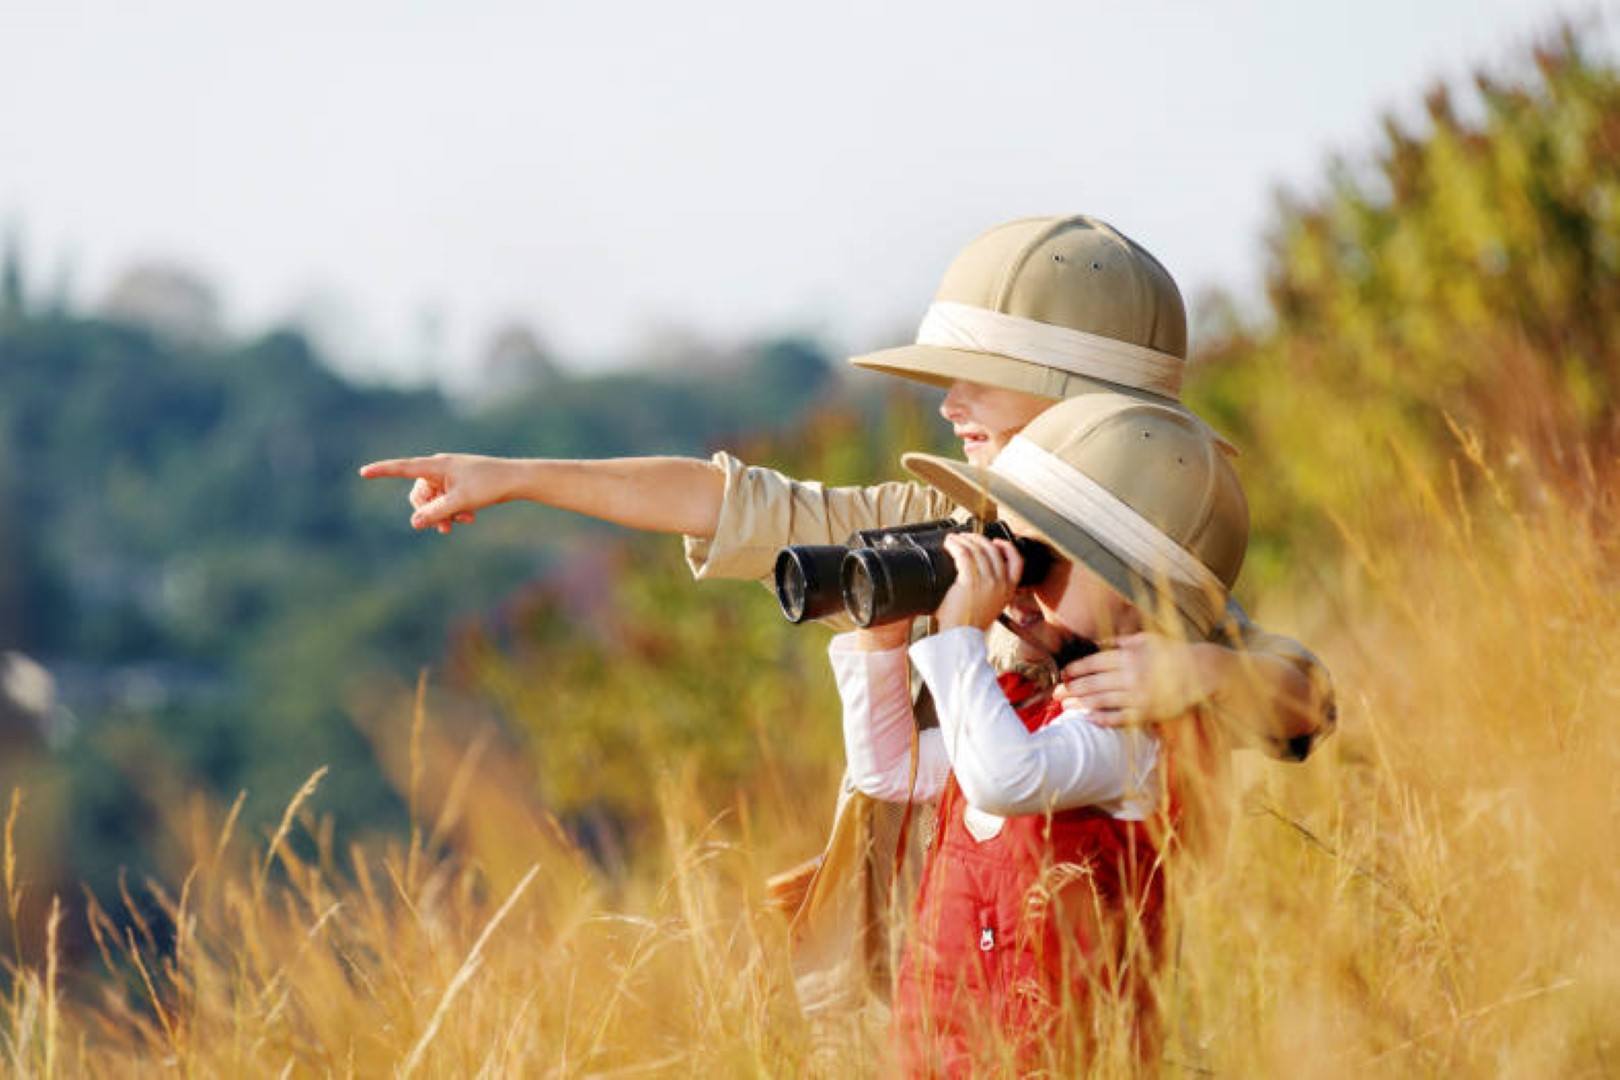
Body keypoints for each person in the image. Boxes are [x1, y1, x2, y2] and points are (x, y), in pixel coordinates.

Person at [358, 215, 1335, 1032]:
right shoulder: (960, 531)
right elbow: (739, 504)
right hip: (900, 981)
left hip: (1053, 1007)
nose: (948, 403)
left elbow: (1302, 695)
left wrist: (1204, 673)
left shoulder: (1145, 581)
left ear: (1080, 398)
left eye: (978, 376)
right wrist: (520, 476)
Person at [834, 390, 1246, 1073]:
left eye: (1041, 562)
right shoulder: (1024, 703)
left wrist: (961, 632)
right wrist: (882, 643)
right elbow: (890, 770)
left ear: (1138, 590)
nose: (1017, 586)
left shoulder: (1129, 727)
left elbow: (1005, 778)